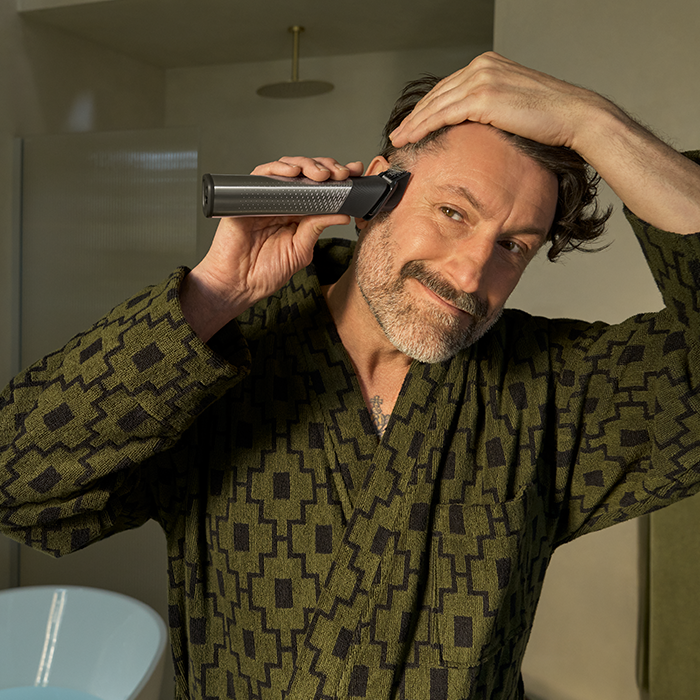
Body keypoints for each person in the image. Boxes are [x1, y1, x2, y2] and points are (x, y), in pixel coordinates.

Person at [2, 52, 700, 700]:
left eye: (513, 245)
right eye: (453, 212)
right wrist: (214, 295)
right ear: (376, 194)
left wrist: (592, 122)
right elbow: (16, 480)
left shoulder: (554, 390)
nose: (470, 274)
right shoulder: (222, 363)